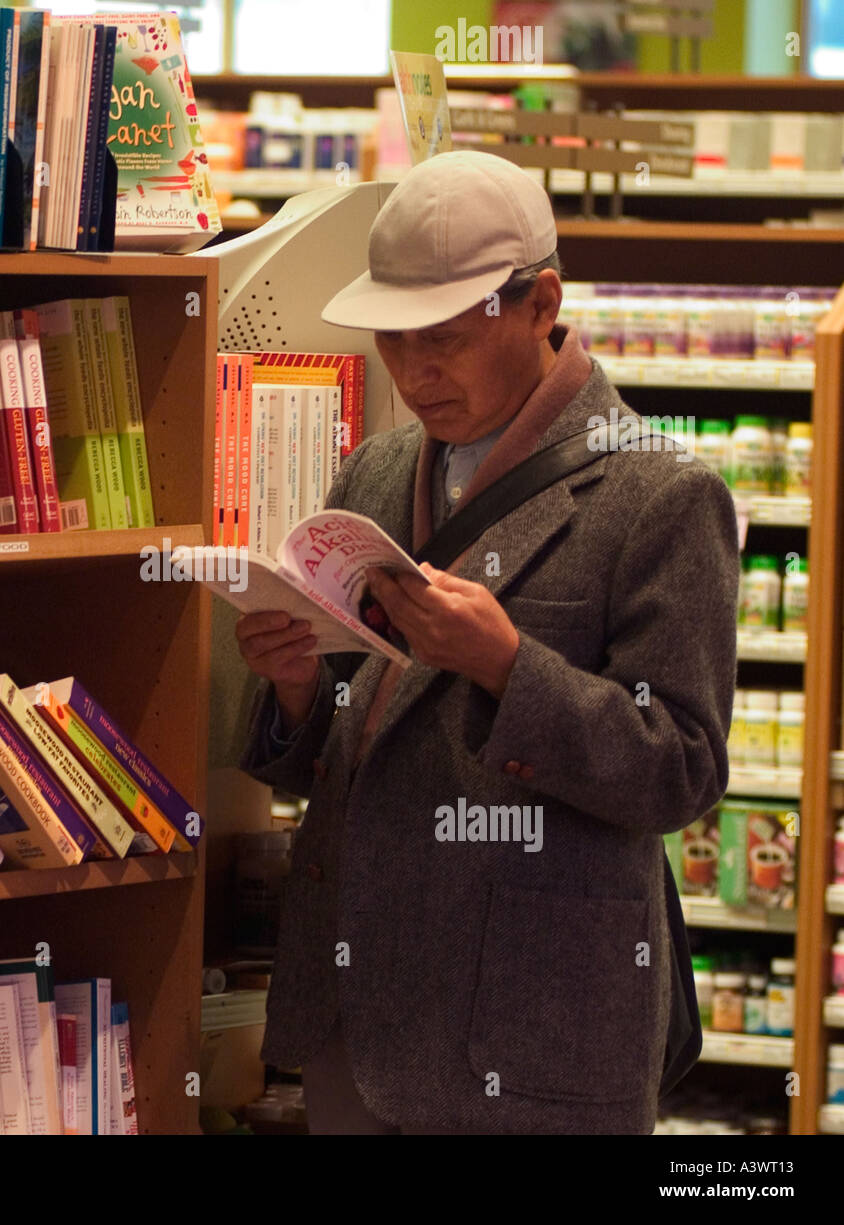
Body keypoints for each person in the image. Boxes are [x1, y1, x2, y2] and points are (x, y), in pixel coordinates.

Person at [235, 150, 739, 1135]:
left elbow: (680, 768)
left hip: (530, 1039)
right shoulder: (377, 470)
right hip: (351, 1018)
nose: (415, 373)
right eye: (392, 341)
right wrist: (297, 691)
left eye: (448, 339)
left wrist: (508, 667)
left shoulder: (659, 496)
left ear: (541, 301)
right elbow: (346, 747)